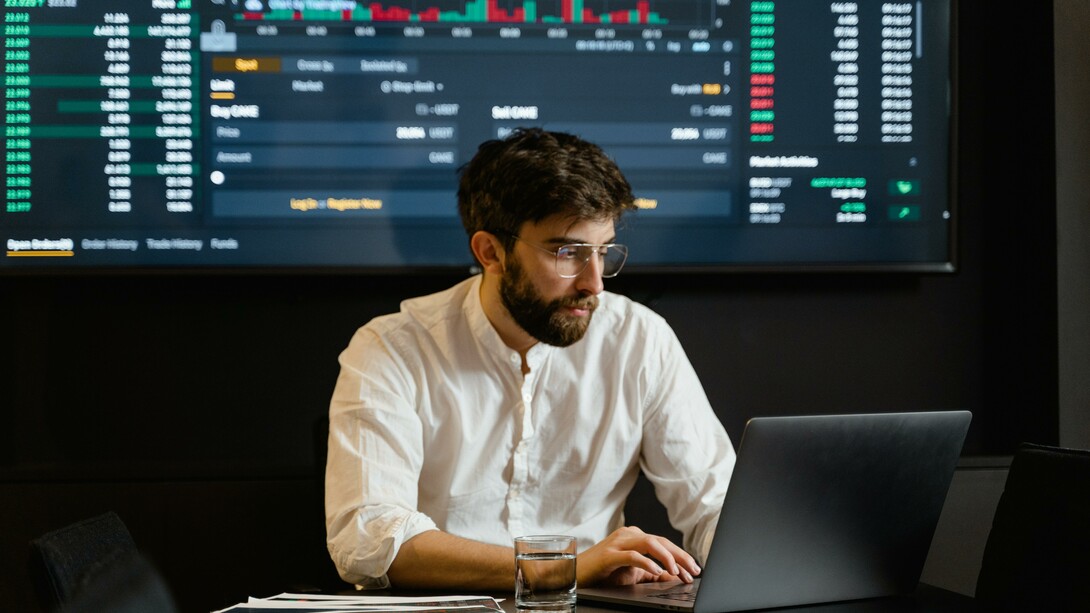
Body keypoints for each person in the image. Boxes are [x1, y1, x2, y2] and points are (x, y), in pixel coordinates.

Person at [325, 128, 736, 591]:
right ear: (491, 252)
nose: (594, 284)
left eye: (603, 252)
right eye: (568, 252)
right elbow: (368, 537)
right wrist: (560, 568)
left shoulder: (640, 339)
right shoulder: (391, 348)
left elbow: (717, 504)